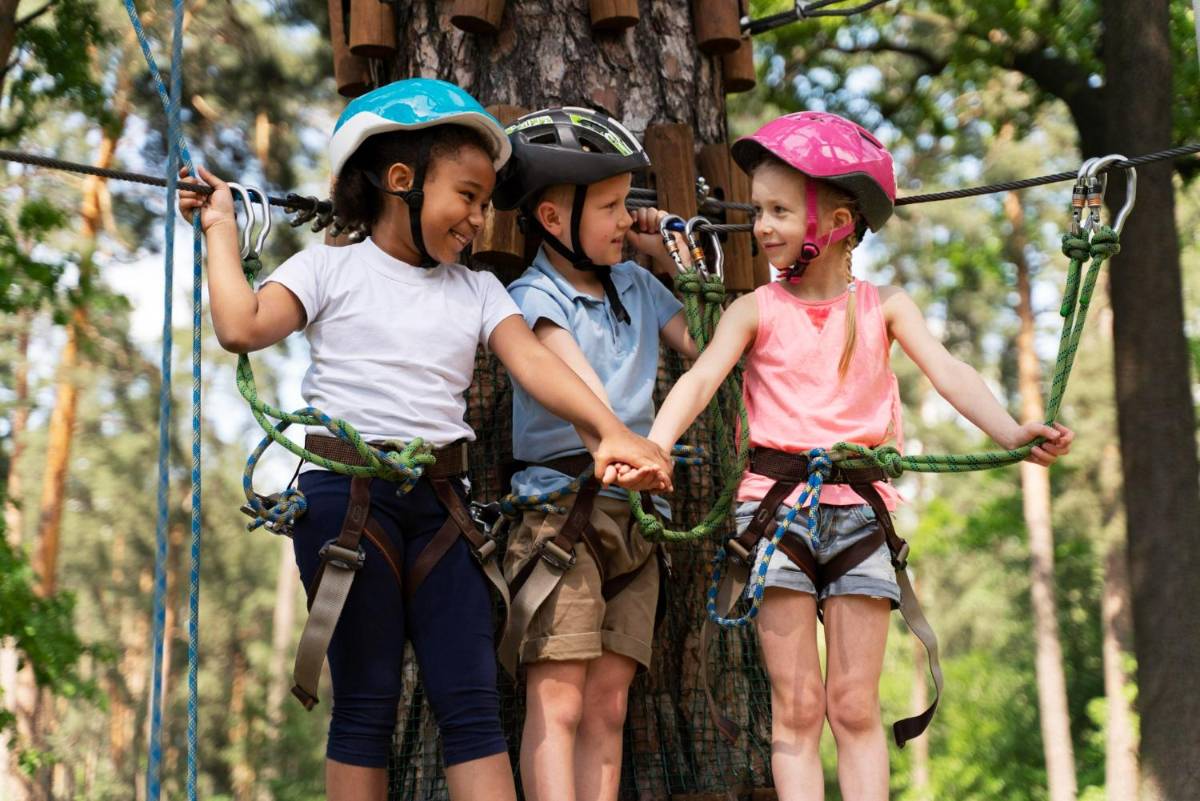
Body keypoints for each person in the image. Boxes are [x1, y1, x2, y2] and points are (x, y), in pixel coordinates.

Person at [178, 79, 671, 801]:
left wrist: (608, 432)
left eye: (483, 200)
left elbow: (536, 366)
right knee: (366, 701)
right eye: (467, 196)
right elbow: (241, 325)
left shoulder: (475, 290)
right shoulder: (328, 267)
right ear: (402, 182)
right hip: (346, 502)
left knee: (471, 703)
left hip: (443, 506)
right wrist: (221, 229)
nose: (478, 217)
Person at [645, 111, 1074, 801]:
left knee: (852, 704)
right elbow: (699, 379)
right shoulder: (754, 309)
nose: (761, 226)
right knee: (797, 707)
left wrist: (1009, 430)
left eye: (780, 210)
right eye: (759, 209)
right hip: (776, 513)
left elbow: (951, 372)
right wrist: (654, 444)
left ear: (839, 222)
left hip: (860, 518)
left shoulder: (885, 308)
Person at [489, 106, 699, 801]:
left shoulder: (639, 285)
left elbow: (706, 351)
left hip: (632, 522)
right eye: (610, 206)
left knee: (609, 703)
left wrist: (669, 260)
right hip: (561, 516)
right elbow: (577, 389)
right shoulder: (534, 296)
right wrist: (619, 441)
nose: (624, 218)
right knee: (561, 698)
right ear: (553, 218)